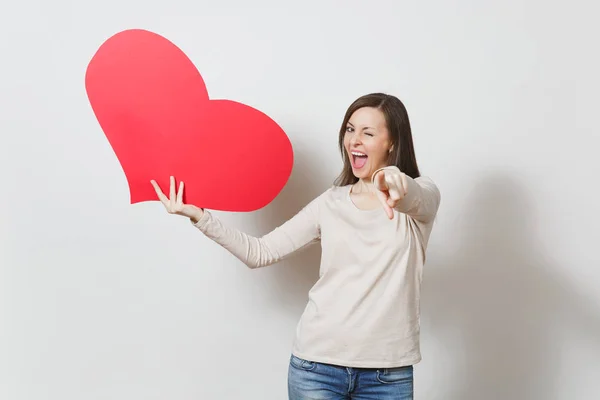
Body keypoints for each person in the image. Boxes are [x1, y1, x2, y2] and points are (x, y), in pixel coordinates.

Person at [151, 93, 441, 399]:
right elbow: (258, 252)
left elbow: (412, 194)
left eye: (367, 133)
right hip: (317, 369)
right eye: (350, 129)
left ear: (392, 142)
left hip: (388, 374)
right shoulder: (329, 204)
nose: (354, 140)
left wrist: (391, 179)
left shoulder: (420, 199)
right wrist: (199, 216)